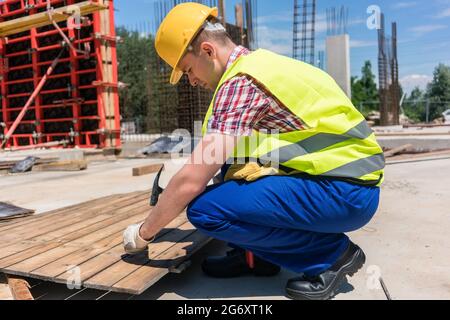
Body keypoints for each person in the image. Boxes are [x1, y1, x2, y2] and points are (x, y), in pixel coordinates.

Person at [123, 2, 385, 300]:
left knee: (205, 210)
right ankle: (257, 257)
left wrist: (145, 232)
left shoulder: (240, 83)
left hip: (343, 193)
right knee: (228, 171)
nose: (191, 80)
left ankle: (331, 256)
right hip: (345, 185)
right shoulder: (262, 67)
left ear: (208, 51)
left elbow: (192, 180)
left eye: (188, 69)